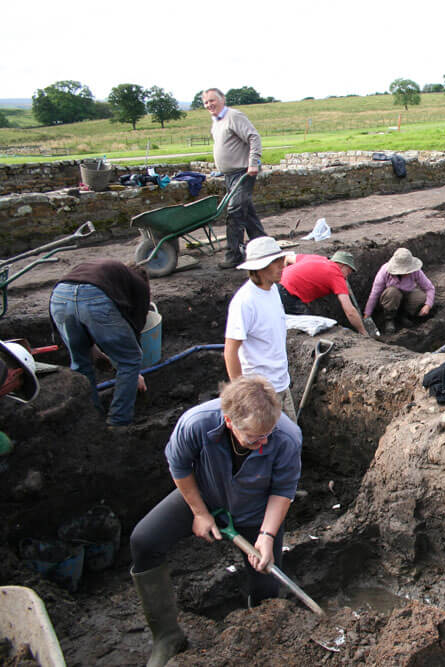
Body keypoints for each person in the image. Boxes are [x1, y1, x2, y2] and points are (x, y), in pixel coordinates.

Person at [129, 375, 302, 666]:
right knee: (144, 541)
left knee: (266, 585)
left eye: (268, 435)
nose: (263, 444)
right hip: (203, 495)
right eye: (254, 438)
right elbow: (179, 465)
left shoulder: (286, 436)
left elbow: (283, 490)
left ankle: (258, 639)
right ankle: (167, 637)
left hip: (256, 511)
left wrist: (267, 536)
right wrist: (199, 512)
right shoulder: (196, 423)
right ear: (230, 422)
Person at [49, 260, 150, 426]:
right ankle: (119, 421)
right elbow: (136, 324)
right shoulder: (139, 282)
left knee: (81, 363)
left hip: (59, 296)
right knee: (130, 360)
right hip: (93, 297)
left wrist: (93, 349)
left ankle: (91, 418)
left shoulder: (98, 271)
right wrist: (134, 371)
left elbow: (76, 301)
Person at [224, 237, 296, 417]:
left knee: (291, 439)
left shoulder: (272, 290)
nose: (283, 265)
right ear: (261, 267)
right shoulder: (245, 301)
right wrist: (241, 394)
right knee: (266, 442)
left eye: (282, 260)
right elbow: (230, 350)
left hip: (281, 383)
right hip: (260, 393)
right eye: (276, 262)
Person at [202, 88, 267, 270]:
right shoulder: (216, 122)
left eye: (212, 101)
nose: (209, 105)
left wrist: (253, 163)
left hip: (243, 172)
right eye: (206, 103)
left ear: (222, 99)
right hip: (230, 175)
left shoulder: (234, 116)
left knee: (235, 212)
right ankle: (264, 247)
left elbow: (254, 137)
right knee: (247, 213)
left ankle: (234, 255)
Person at [278, 250, 368, 336]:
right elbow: (350, 311)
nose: (347, 276)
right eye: (349, 271)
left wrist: (287, 277)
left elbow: (287, 258)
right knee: (312, 327)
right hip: (287, 294)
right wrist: (363, 332)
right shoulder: (336, 275)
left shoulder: (316, 258)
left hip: (274, 287)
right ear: (342, 265)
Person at [364, 248, 435, 335]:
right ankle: (389, 319)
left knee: (421, 297)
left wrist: (428, 305)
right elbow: (374, 294)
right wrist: (367, 315)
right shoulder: (385, 271)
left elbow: (429, 288)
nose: (407, 272)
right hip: (388, 300)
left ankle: (403, 315)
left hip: (406, 297)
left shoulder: (416, 272)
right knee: (393, 292)